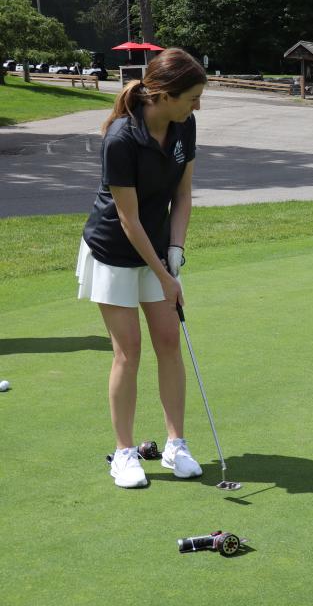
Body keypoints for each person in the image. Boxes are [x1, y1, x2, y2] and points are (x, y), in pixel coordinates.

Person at [76, 47, 207, 489]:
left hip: (156, 248)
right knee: (128, 350)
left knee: (169, 340)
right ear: (165, 95)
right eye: (192, 97)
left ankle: (176, 445)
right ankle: (125, 454)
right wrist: (165, 273)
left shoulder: (184, 126)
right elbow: (128, 219)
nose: (197, 105)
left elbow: (183, 194)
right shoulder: (120, 138)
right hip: (114, 250)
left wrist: (176, 248)